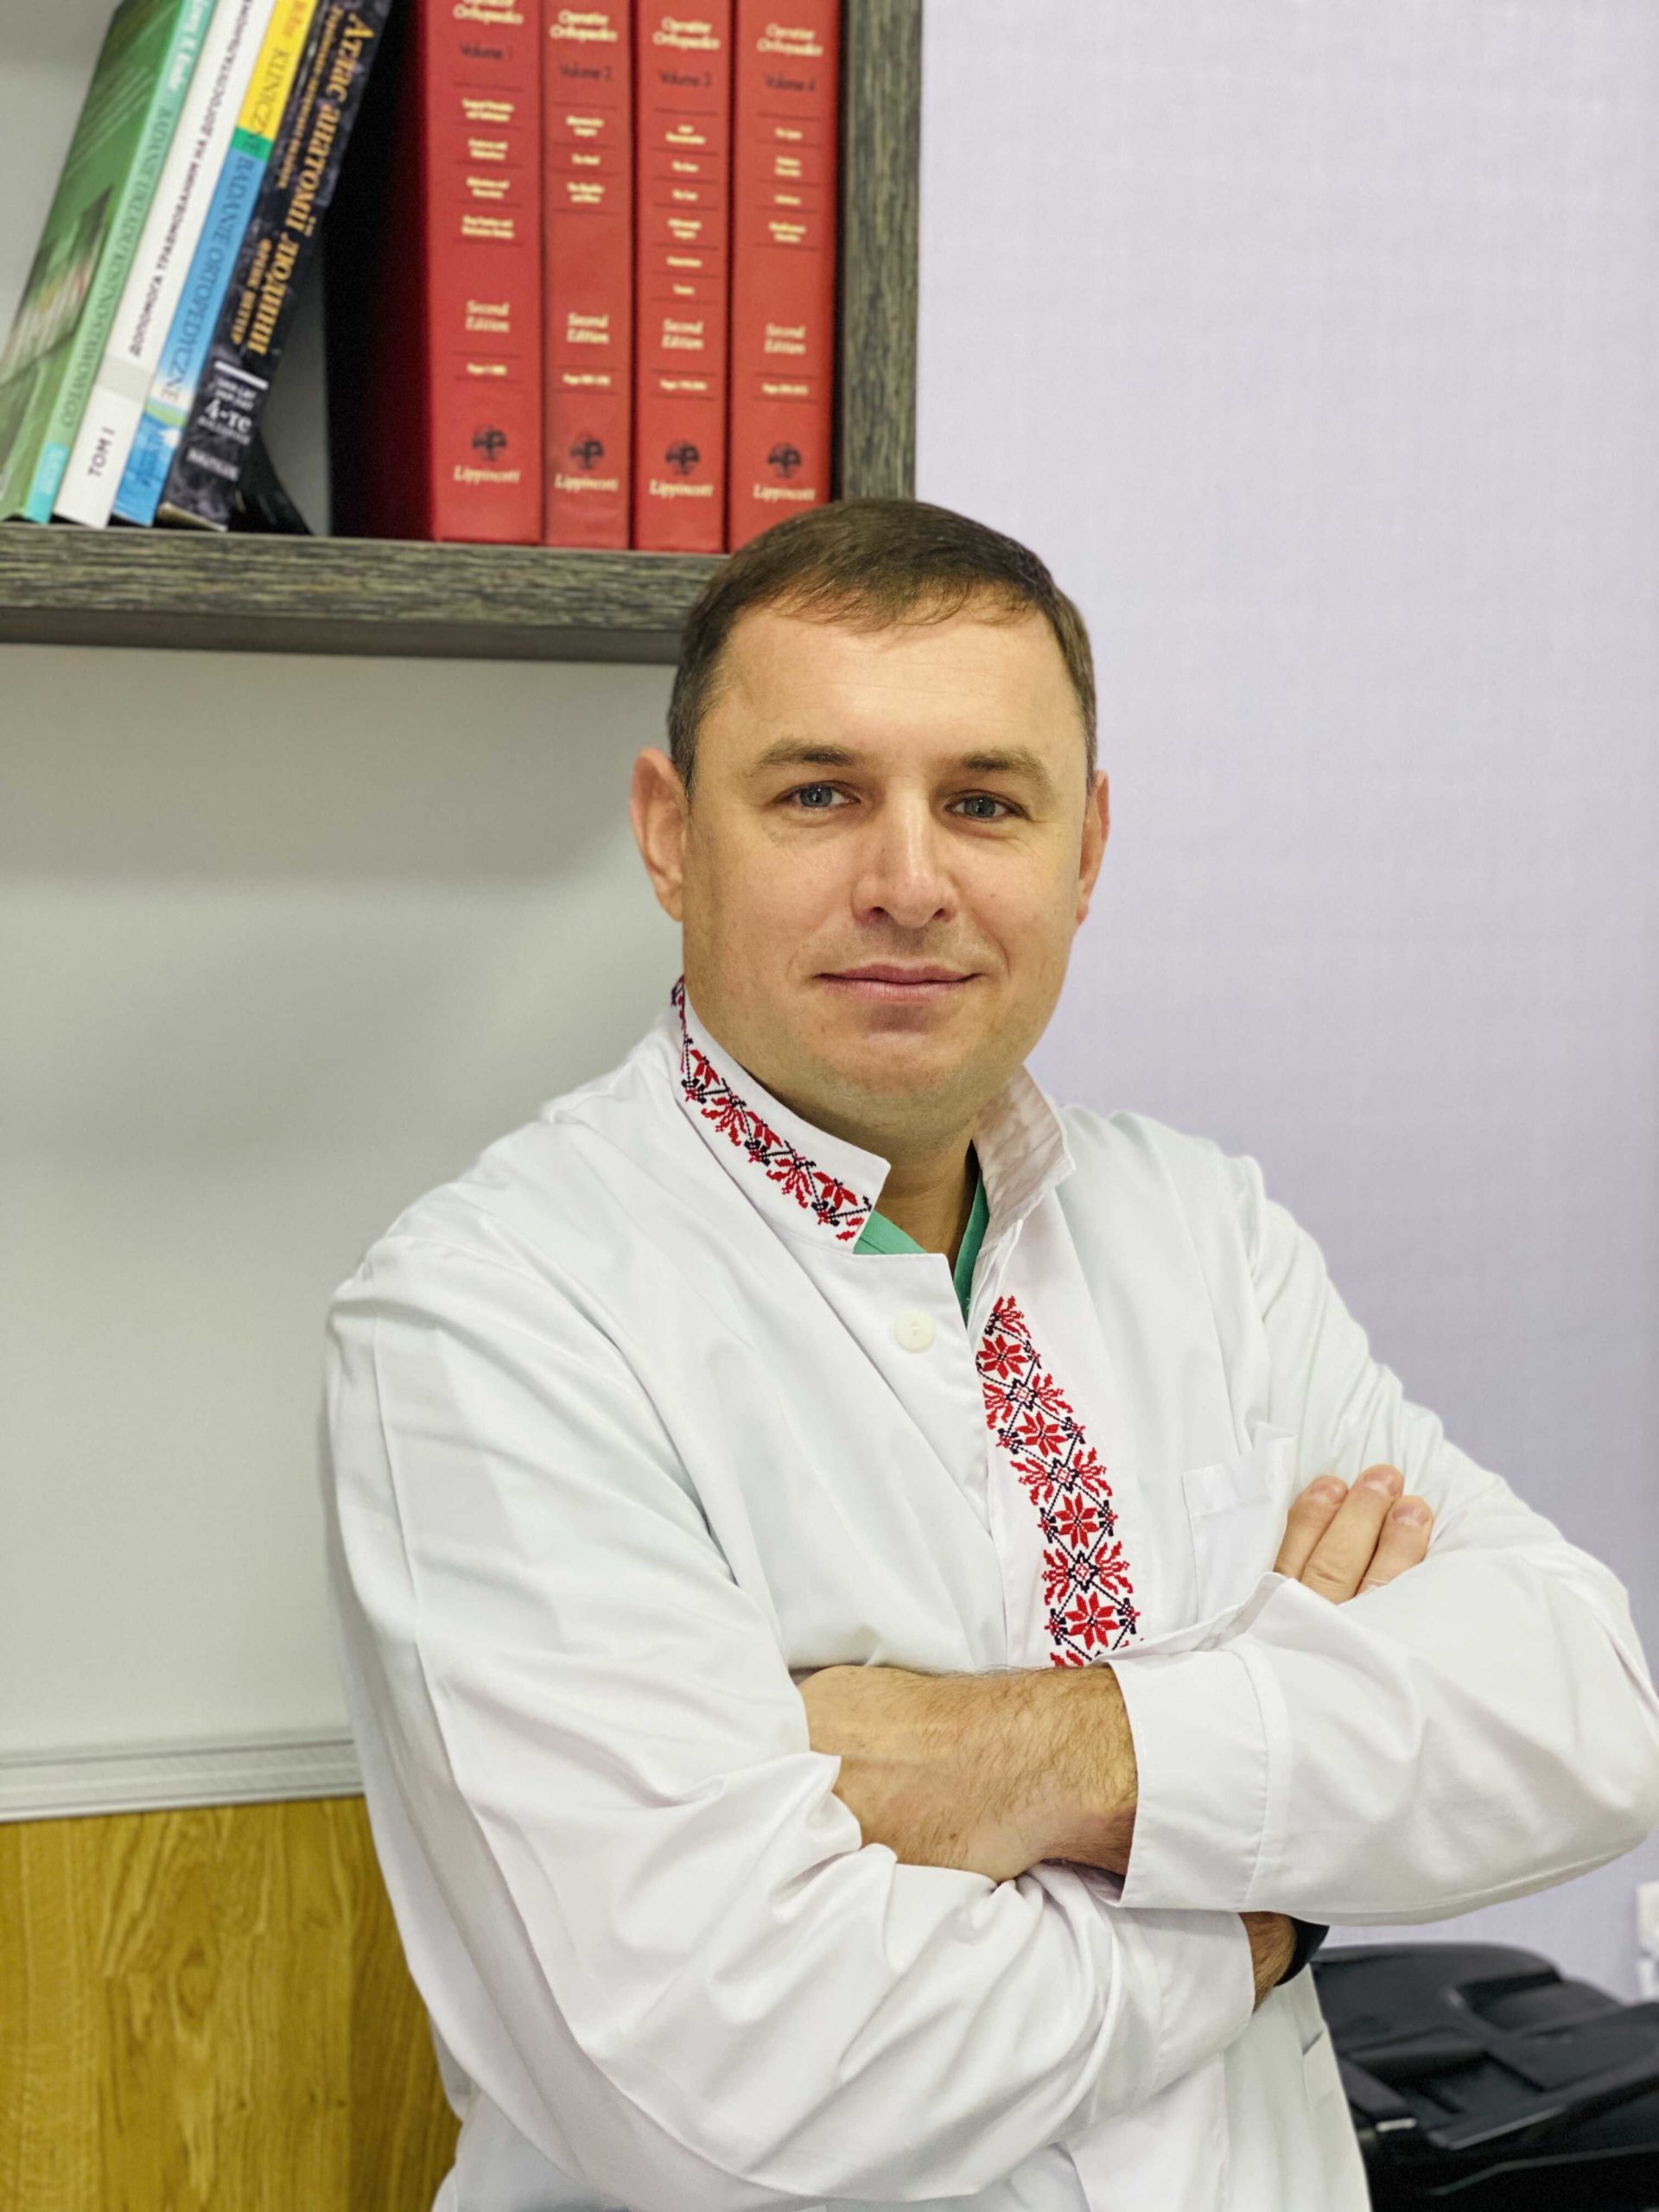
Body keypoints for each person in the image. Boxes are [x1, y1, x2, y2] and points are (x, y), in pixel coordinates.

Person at [318, 496, 1659, 2212]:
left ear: (1083, 851)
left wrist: (1045, 1756)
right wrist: (1267, 1898)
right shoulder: (494, 1316)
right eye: (819, 794)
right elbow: (733, 2080)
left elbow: (1582, 1711)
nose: (908, 881)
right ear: (671, 837)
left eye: (984, 802)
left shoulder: (1208, 1236)